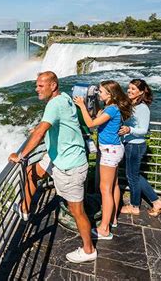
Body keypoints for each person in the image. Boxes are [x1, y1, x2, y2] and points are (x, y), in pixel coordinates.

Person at [8, 71, 96, 263]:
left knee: (77, 211)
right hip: (56, 155)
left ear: (53, 86)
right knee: (31, 172)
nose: (36, 89)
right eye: (36, 85)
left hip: (70, 164)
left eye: (40, 85)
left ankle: (89, 250)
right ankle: (24, 209)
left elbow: (41, 132)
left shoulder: (54, 104)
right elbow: (57, 123)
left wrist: (21, 155)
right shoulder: (64, 97)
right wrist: (41, 127)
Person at [73, 80, 132, 240]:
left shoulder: (112, 109)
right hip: (115, 149)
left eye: (101, 91)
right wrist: (93, 101)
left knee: (105, 189)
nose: (99, 93)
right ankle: (112, 219)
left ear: (110, 94)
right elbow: (98, 115)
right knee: (113, 186)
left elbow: (91, 123)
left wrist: (82, 106)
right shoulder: (111, 108)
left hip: (109, 151)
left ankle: (104, 229)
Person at [118, 79, 161, 217]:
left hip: (136, 145)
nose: (129, 91)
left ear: (141, 92)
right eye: (129, 88)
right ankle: (157, 203)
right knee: (134, 175)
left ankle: (135, 206)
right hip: (130, 144)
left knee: (132, 176)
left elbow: (144, 130)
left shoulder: (143, 108)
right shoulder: (131, 105)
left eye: (133, 89)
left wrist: (129, 129)